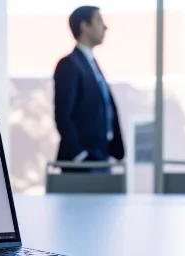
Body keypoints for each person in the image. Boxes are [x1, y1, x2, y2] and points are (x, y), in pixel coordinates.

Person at [53, 6, 124, 173]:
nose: (105, 27)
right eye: (99, 21)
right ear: (85, 26)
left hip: (102, 156)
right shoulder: (70, 64)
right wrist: (80, 155)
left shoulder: (92, 64)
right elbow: (63, 113)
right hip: (83, 162)